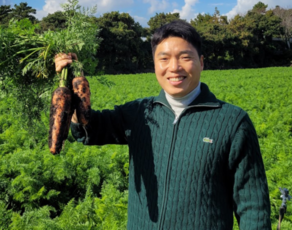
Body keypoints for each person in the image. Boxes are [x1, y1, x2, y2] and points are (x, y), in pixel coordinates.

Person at [55, 20, 271, 230]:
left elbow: (252, 206)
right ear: (155, 64)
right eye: (164, 59)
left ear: (202, 62)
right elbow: (90, 130)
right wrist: (72, 85)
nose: (174, 68)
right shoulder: (139, 113)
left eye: (185, 57)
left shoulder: (232, 122)